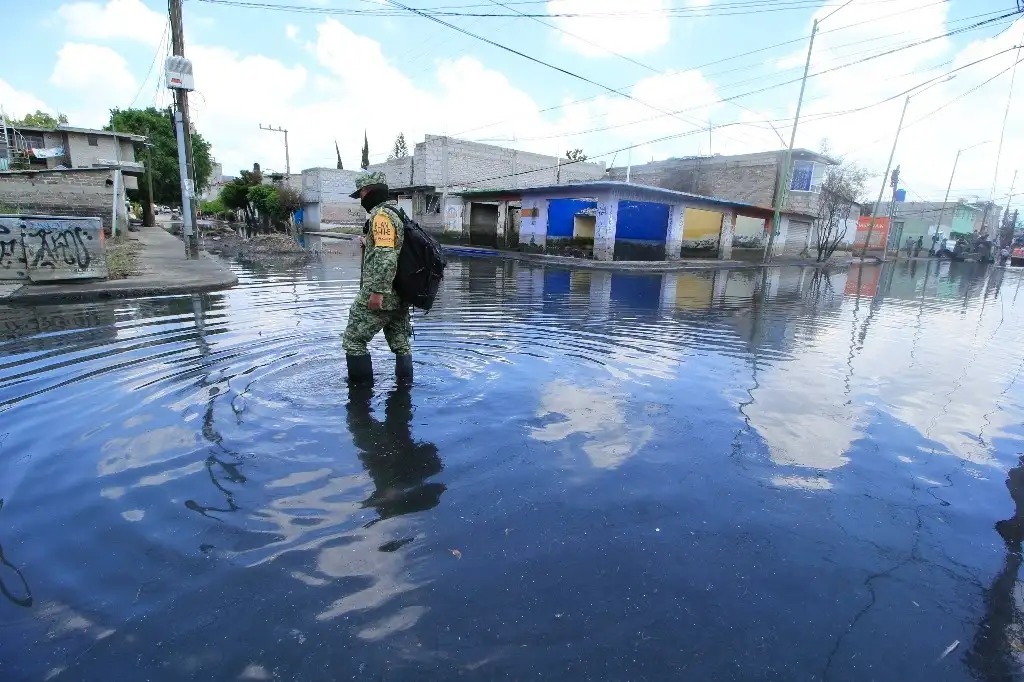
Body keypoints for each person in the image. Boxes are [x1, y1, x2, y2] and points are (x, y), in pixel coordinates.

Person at [342, 172, 413, 386]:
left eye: (361, 194)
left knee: (353, 341)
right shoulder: (398, 212)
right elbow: (394, 247)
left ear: (369, 191)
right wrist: (368, 242)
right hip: (401, 293)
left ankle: (360, 398)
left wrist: (377, 292)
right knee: (400, 343)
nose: (361, 199)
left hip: (382, 293)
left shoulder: (381, 216)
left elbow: (386, 255)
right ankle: (405, 389)